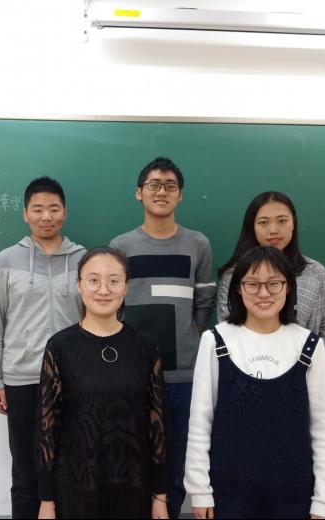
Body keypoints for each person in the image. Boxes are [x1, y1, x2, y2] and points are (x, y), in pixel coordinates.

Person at [184, 245, 325, 519]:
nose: (264, 293)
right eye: (253, 284)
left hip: (294, 494)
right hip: (228, 493)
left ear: (288, 288)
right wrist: (200, 490)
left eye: (274, 283)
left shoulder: (309, 345)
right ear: (239, 288)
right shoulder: (216, 340)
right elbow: (200, 422)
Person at [109, 156, 216, 519]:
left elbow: (205, 299)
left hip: (184, 376)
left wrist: (192, 331)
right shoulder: (121, 245)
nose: (162, 192)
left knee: (176, 464)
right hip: (134, 374)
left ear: (180, 195)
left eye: (170, 186)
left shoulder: (198, 244)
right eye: (154, 185)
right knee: (134, 459)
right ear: (139, 193)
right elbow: (114, 303)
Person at [35, 247, 169, 520]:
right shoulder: (60, 346)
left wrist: (160, 497)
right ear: (79, 285)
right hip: (76, 488)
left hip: (134, 487)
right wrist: (46, 500)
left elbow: (159, 426)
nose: (103, 290)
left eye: (114, 280)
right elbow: (46, 428)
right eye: (93, 280)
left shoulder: (146, 346)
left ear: (126, 287)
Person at [0, 176, 86, 519]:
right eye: (38, 209)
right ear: (25, 214)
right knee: (26, 472)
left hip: (73, 381)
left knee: (71, 468)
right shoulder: (6, 260)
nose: (46, 216)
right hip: (21, 380)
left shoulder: (83, 260)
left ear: (65, 212)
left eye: (53, 209)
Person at [216, 191, 325, 381]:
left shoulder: (316, 273)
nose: (273, 230)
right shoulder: (234, 276)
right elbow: (228, 329)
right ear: (252, 227)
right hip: (249, 380)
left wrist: (313, 372)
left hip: (307, 380)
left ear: (293, 223)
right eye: (263, 222)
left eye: (282, 221)